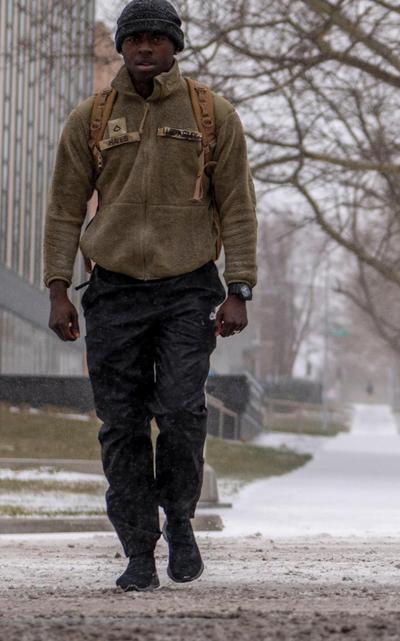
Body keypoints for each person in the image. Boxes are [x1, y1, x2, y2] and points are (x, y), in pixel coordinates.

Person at [42, 0, 257, 592]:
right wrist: (58, 287)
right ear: (120, 45)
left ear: (175, 46)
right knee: (121, 425)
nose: (143, 48)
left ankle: (180, 519)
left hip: (189, 287)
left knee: (183, 412)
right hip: (112, 290)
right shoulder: (91, 117)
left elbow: (238, 206)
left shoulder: (213, 114)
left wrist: (239, 287)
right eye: (133, 38)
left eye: (156, 39)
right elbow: (63, 209)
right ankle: (138, 549)